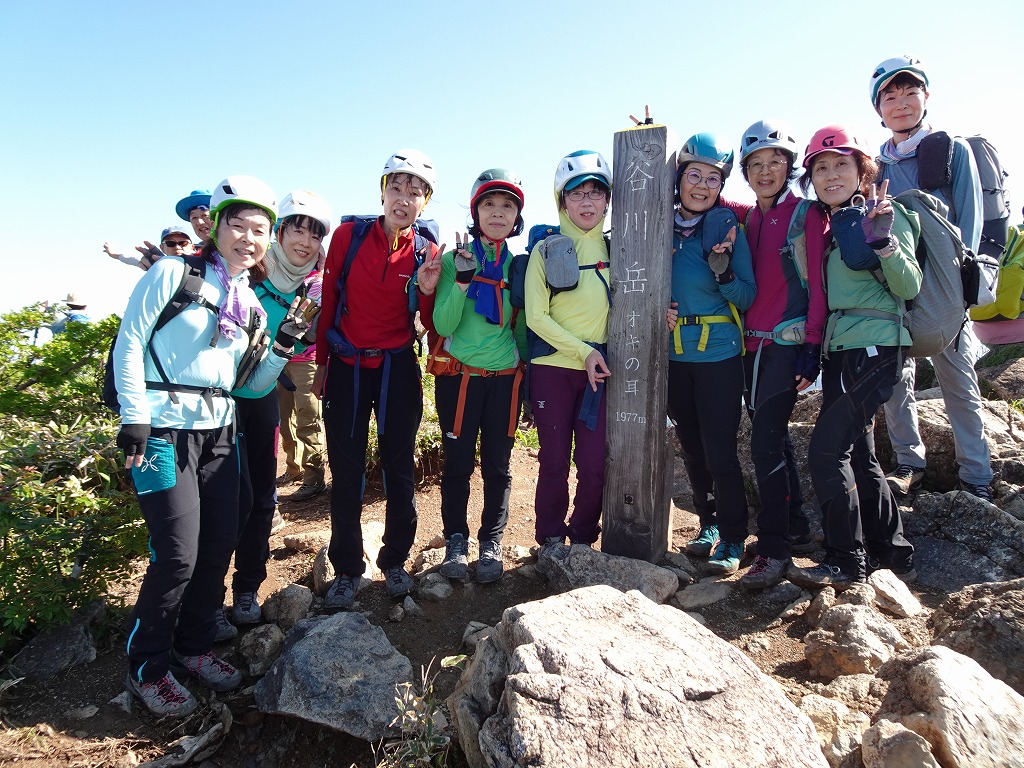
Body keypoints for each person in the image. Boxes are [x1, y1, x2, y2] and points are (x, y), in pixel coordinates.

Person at [115, 175, 312, 716]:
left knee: (221, 538)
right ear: (217, 226)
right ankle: (148, 666)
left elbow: (250, 384)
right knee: (177, 553)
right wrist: (134, 415)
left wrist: (283, 346)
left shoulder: (247, 303)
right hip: (159, 431)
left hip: (220, 431)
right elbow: (130, 341)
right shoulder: (172, 273)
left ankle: (194, 645)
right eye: (239, 225)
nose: (248, 238)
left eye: (259, 230)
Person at [786, 126, 919, 590]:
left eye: (841, 164)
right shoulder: (835, 225)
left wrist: (884, 242)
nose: (830, 174)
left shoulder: (885, 214)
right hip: (843, 352)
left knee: (826, 451)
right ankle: (892, 552)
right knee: (860, 455)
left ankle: (845, 561)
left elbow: (909, 285)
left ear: (862, 171)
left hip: (877, 348)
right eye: (820, 167)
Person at [314, 149, 442, 610]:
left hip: (397, 368)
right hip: (347, 368)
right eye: (397, 188)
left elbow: (431, 322)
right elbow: (330, 304)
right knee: (346, 470)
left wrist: (428, 289)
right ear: (383, 192)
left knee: (399, 468)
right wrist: (322, 366)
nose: (404, 199)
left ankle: (395, 561)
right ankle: (348, 568)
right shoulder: (348, 237)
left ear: (424, 202)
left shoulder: (426, 251)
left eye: (415, 192)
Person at [869, 55, 994, 502]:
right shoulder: (875, 166)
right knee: (896, 379)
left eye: (910, 92)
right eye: (890, 96)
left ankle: (977, 476)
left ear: (927, 97)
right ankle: (909, 464)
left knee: (957, 379)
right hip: (895, 281)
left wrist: (960, 284)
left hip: (944, 283)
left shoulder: (951, 150)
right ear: (878, 107)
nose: (901, 103)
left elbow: (970, 220)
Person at [226, 190, 333, 634]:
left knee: (259, 496)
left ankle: (246, 589)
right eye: (297, 230)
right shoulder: (244, 268)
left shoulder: (316, 286)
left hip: (260, 394)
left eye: (315, 234)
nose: (304, 242)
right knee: (221, 498)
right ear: (280, 231)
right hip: (216, 399)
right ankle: (205, 598)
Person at [724, 120, 822, 590]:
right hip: (751, 347)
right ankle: (796, 526)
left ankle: (775, 549)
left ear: (790, 166)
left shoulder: (806, 215)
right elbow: (708, 194)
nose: (765, 172)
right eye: (756, 164)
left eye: (775, 162)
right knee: (776, 440)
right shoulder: (749, 218)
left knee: (765, 445)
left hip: (784, 346)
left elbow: (819, 286)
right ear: (745, 172)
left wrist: (812, 347)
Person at [664, 133, 756, 575]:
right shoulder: (657, 228)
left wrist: (723, 275)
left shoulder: (726, 228)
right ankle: (708, 525)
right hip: (673, 353)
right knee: (691, 447)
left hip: (718, 354)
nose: (701, 185)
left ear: (722, 185)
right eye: (694, 175)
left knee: (720, 451)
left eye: (712, 178)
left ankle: (734, 537)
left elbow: (746, 295)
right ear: (679, 178)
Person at [432, 169, 528, 583]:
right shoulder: (453, 261)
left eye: (508, 205)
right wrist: (462, 282)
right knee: (457, 464)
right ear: (475, 212)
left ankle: (491, 541)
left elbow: (521, 328)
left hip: (505, 379)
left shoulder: (519, 266)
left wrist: (529, 376)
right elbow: (443, 323)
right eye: (489, 204)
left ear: (517, 216)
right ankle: (456, 540)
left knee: (498, 466)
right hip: (460, 379)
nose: (498, 212)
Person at [526, 150, 612, 559]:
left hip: (599, 370)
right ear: (562, 200)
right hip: (552, 369)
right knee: (555, 460)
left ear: (607, 200)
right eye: (577, 193)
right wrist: (583, 352)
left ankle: (582, 538)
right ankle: (550, 538)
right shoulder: (545, 250)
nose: (587, 202)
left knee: (594, 463)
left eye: (596, 192)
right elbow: (536, 317)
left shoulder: (619, 250)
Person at [276, 249, 328, 498]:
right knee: (285, 419)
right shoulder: (283, 280)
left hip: (306, 360)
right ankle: (293, 468)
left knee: (308, 419)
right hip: (280, 358)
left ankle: (314, 478)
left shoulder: (318, 283)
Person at [105, 224, 196, 270]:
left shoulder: (203, 261)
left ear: (192, 247)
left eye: (183, 243)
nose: (177, 247)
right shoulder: (157, 264)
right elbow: (132, 259)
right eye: (170, 243)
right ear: (162, 248)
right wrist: (114, 254)